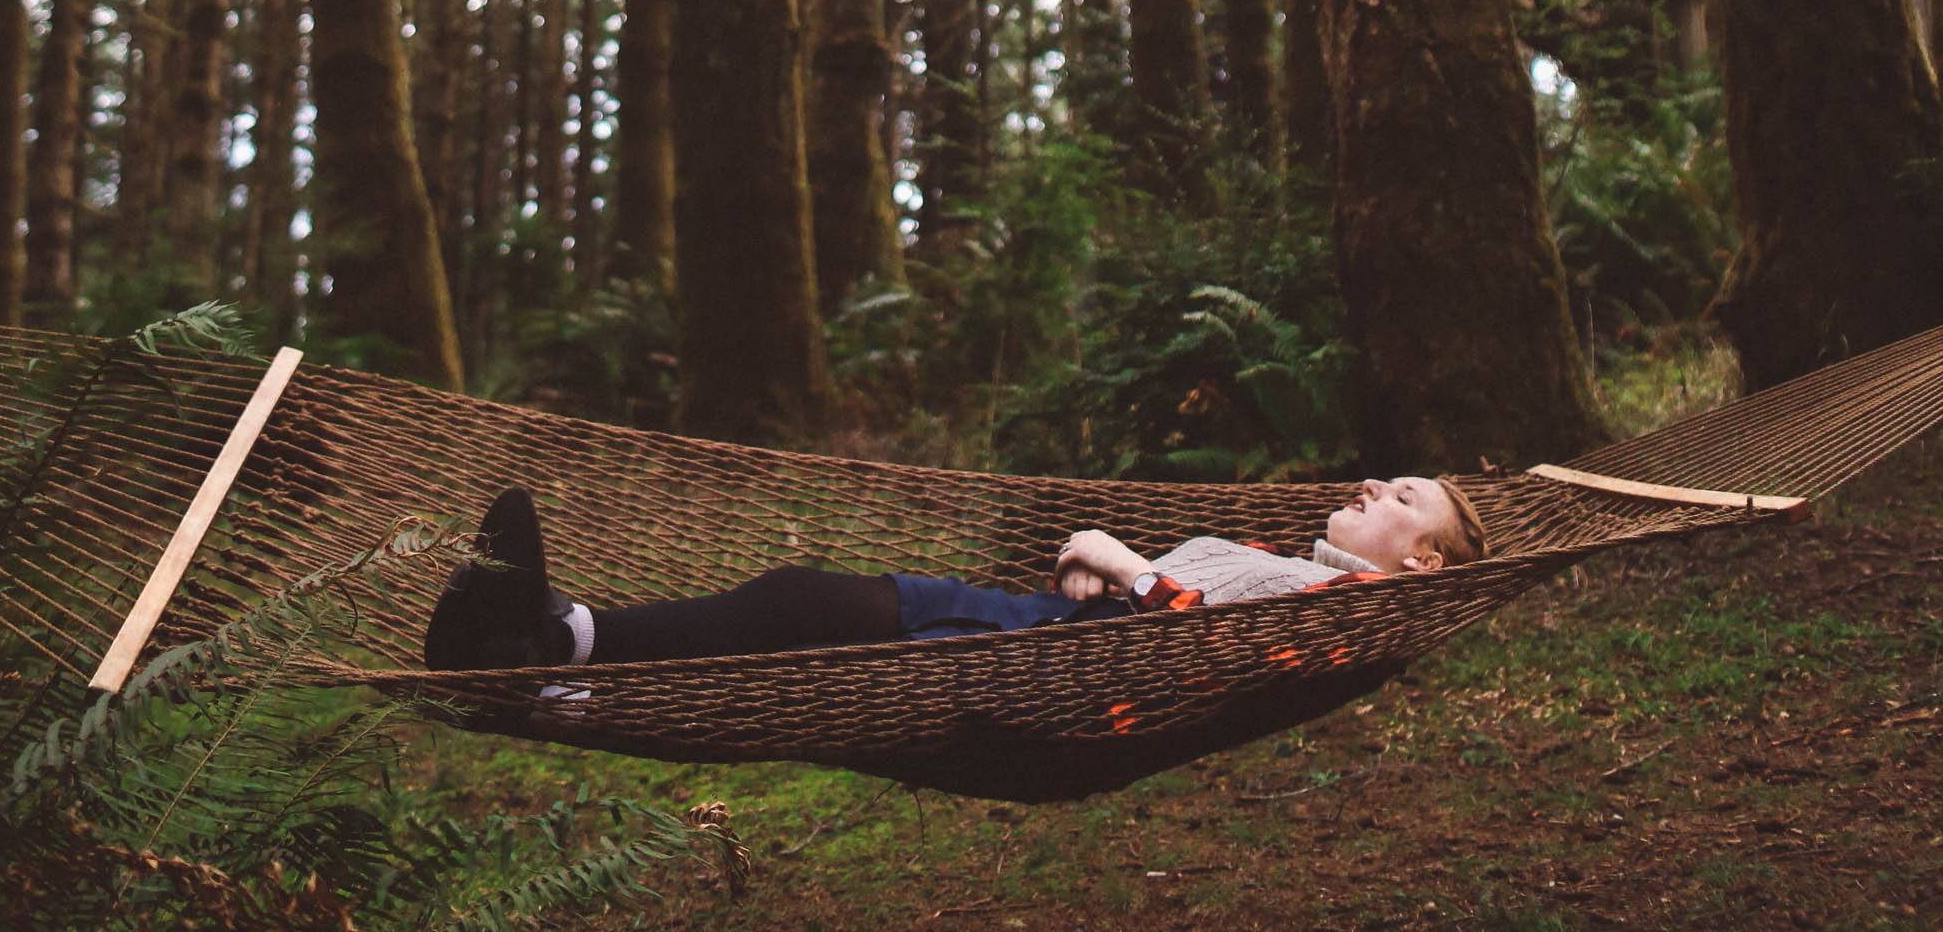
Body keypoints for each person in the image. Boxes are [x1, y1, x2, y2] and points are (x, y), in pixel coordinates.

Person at [422, 472, 1486, 675]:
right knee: (792, 602)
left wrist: (1118, 561)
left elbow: (1202, 639)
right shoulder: (1291, 570)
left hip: (1033, 669)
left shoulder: (1348, 608)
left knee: (796, 614)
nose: (1372, 486)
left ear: (1424, 560)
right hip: (1040, 630)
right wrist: (1100, 574)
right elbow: (1173, 608)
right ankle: (556, 641)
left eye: (1401, 497)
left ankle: (551, 655)